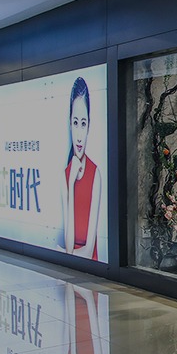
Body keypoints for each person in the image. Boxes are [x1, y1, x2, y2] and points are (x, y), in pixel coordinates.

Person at [60, 77, 101, 259]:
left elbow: (88, 250)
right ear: (70, 124)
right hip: (72, 268)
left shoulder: (95, 174)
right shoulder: (65, 176)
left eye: (83, 124)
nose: (79, 135)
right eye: (75, 123)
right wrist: (71, 183)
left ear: (89, 126)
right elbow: (69, 247)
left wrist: (62, 251)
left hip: (91, 265)